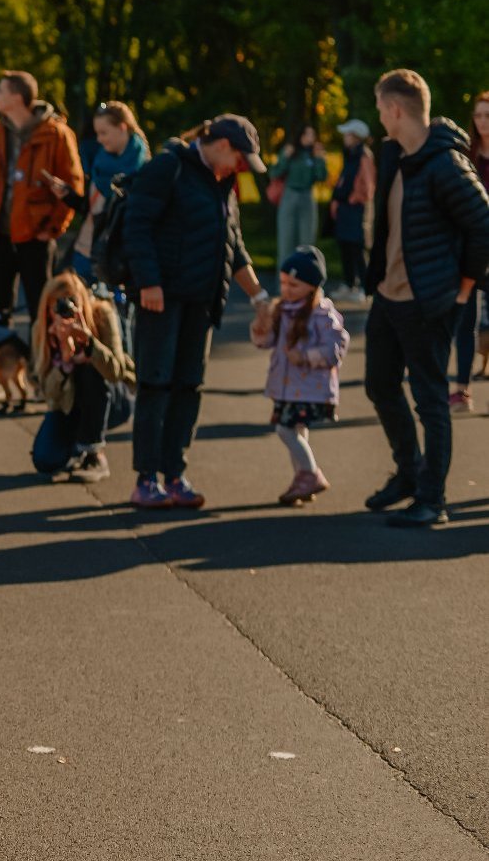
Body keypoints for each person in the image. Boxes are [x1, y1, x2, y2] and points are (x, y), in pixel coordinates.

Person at [123, 115, 272, 509]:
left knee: (189, 386)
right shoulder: (168, 167)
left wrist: (259, 298)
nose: (242, 169)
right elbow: (136, 225)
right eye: (241, 159)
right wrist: (148, 282)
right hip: (162, 297)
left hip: (202, 301)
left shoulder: (223, 183)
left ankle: (175, 475)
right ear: (222, 144)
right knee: (156, 384)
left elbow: (233, 245)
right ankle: (146, 479)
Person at [362, 69, 489, 528]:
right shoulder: (395, 154)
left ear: (396, 109)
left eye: (380, 107)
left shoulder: (446, 164)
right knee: (379, 384)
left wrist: (463, 289)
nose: (379, 116)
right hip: (388, 296)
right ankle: (410, 473)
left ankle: (432, 500)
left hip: (426, 300)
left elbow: (483, 226)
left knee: (430, 399)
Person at [0, 70, 84, 324]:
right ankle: (1, 362)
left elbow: (73, 184)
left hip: (36, 234)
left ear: (16, 97)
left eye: (0, 91)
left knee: (41, 308)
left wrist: (54, 227)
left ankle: (41, 362)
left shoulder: (56, 134)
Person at [250, 246, 348, 506]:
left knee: (285, 430)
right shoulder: (283, 309)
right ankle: (301, 483)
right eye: (283, 283)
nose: (286, 289)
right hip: (286, 386)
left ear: (312, 286)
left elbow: (335, 348)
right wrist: (261, 329)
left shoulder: (322, 314)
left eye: (294, 284)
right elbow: (268, 341)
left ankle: (310, 474)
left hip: (309, 388)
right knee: (298, 432)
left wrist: (306, 357)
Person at [29, 271, 134, 482]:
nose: (65, 310)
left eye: (71, 302)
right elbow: (48, 395)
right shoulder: (42, 329)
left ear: (82, 299)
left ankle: (94, 454)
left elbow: (116, 373)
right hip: (67, 405)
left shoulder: (102, 314)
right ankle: (77, 447)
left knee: (89, 369)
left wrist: (89, 344)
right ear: (48, 307)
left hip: (113, 401)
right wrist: (64, 363)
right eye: (57, 305)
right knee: (45, 460)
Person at [52, 100, 149, 281]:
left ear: (122, 127)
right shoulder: (99, 164)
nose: (99, 139)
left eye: (104, 133)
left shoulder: (144, 171)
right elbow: (91, 209)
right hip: (87, 251)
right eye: (97, 133)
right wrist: (68, 196)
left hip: (121, 259)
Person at [451, 91, 489, 409]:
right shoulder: (466, 155)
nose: (482, 121)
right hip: (472, 248)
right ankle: (462, 388)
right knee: (466, 320)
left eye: (488, 115)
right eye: (478, 115)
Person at [329, 118, 376, 302]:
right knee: (346, 246)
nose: (345, 138)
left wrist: (352, 198)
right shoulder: (349, 154)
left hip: (357, 209)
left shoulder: (364, 155)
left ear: (356, 137)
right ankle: (350, 284)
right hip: (345, 209)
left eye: (348, 134)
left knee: (358, 248)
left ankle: (365, 288)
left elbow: (367, 186)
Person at [270, 124, 328, 266]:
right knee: (286, 244)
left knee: (307, 245)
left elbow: (321, 177)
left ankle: (305, 285)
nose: (310, 138)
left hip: (307, 198)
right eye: (307, 134)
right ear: (300, 136)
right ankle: (282, 286)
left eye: (312, 135)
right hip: (289, 196)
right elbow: (274, 173)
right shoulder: (290, 151)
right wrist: (285, 157)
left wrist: (320, 159)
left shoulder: (314, 154)